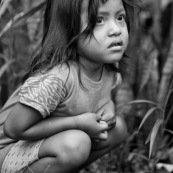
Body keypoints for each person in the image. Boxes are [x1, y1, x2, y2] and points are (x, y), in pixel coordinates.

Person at [0, 0, 137, 172]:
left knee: (117, 128)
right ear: (68, 29)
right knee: (77, 143)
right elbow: (13, 128)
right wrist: (77, 123)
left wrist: (108, 110)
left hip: (45, 144)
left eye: (120, 17)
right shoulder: (56, 79)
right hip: (7, 151)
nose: (116, 30)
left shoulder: (110, 70)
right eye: (99, 20)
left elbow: (102, 98)